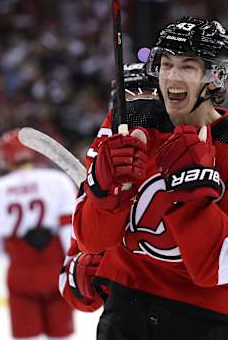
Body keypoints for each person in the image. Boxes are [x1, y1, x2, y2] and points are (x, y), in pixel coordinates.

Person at [71, 17, 228, 340]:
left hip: (218, 315)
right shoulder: (129, 122)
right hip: (131, 303)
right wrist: (103, 191)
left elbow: (223, 267)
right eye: (166, 64)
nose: (171, 77)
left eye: (187, 66)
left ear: (215, 76)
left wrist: (192, 192)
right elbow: (92, 240)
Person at [59, 61, 171, 313]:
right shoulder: (101, 167)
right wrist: (81, 275)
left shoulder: (191, 148)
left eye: (148, 92)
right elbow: (73, 285)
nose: (138, 102)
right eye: (129, 94)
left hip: (187, 310)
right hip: (128, 317)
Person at [0, 129, 76, 340]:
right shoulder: (57, 181)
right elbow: (71, 231)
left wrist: (13, 258)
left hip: (19, 271)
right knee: (62, 336)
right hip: (55, 267)